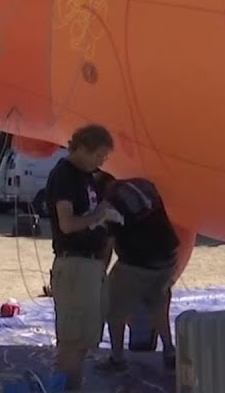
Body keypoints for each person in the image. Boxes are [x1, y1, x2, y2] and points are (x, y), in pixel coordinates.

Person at [46, 124, 117, 390]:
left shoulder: (87, 177)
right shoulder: (64, 176)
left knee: (84, 337)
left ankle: (73, 385)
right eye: (99, 154)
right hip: (74, 263)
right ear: (83, 148)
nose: (102, 161)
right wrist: (97, 216)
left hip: (89, 263)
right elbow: (67, 223)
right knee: (72, 338)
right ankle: (67, 387)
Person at [96, 177, 180, 373]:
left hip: (139, 261)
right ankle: (169, 351)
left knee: (114, 308)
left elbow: (108, 244)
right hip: (168, 256)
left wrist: (101, 273)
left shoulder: (111, 201)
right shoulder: (143, 185)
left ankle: (117, 358)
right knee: (159, 303)